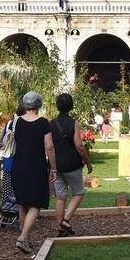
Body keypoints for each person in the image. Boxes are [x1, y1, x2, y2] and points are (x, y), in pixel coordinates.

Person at [10, 91, 56, 254]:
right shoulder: (43, 123)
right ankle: (23, 238)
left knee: (23, 203)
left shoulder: (16, 122)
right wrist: (53, 168)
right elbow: (49, 147)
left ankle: (25, 239)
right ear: (39, 105)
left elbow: (7, 142)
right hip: (36, 166)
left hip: (19, 165)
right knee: (37, 203)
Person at [50, 93, 93, 237]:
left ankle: (61, 229)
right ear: (71, 106)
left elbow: (49, 145)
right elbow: (79, 145)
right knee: (78, 193)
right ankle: (66, 220)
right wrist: (87, 161)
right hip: (72, 164)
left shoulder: (51, 123)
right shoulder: (73, 123)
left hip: (56, 165)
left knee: (60, 197)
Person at [0, 105, 26, 225]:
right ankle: (21, 215)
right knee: (21, 190)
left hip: (9, 161)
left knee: (7, 190)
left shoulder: (10, 123)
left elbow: (3, 142)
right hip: (21, 163)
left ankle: (5, 212)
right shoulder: (26, 124)